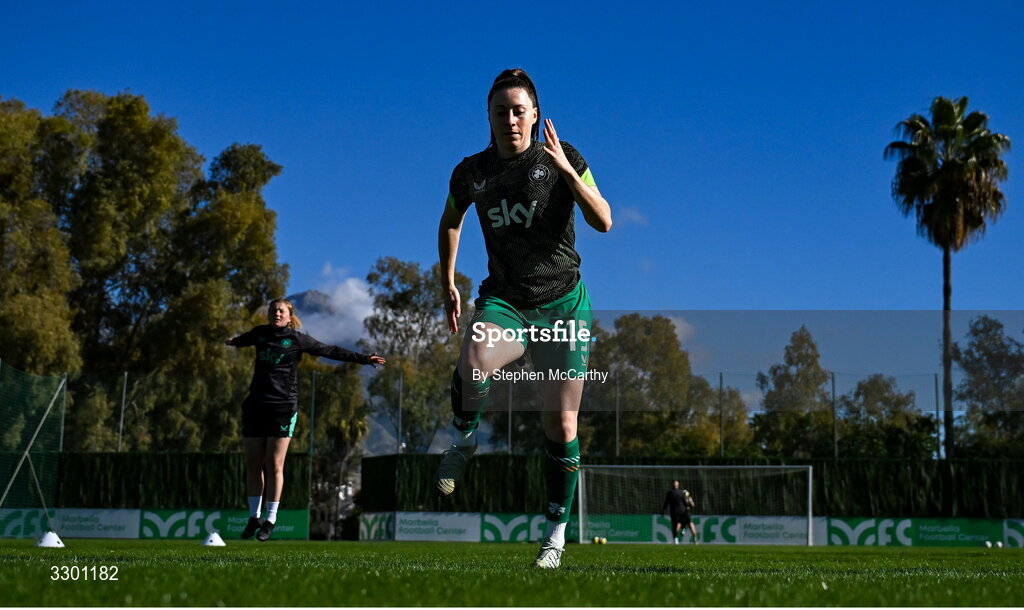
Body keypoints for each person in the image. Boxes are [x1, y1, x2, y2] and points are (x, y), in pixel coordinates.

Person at [435, 68, 613, 568]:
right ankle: (465, 440)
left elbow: (603, 220)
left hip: (563, 306)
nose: (510, 119)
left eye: (519, 110)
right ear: (488, 117)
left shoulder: (564, 156)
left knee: (561, 422)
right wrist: (447, 281)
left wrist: (567, 172)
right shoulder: (471, 172)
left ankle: (555, 534)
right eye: (500, 111)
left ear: (534, 115)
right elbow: (451, 220)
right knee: (473, 360)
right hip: (508, 302)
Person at [226, 298, 385, 541]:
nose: (276, 313)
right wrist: (232, 341)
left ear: (289, 316)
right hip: (256, 406)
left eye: (281, 311)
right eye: (273, 310)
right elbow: (241, 340)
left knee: (274, 464)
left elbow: (330, 350)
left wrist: (364, 358)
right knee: (253, 463)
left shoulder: (298, 340)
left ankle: (270, 519)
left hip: (283, 408)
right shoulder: (259, 334)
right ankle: (253, 517)